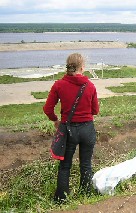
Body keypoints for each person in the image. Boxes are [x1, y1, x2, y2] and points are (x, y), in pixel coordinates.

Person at [43, 53, 99, 203]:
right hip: (87, 129)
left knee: (65, 166)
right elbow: (95, 111)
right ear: (82, 67)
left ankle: (61, 199)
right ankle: (86, 194)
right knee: (86, 164)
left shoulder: (59, 85)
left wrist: (55, 120)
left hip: (69, 130)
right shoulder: (90, 86)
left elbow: (48, 108)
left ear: (67, 66)